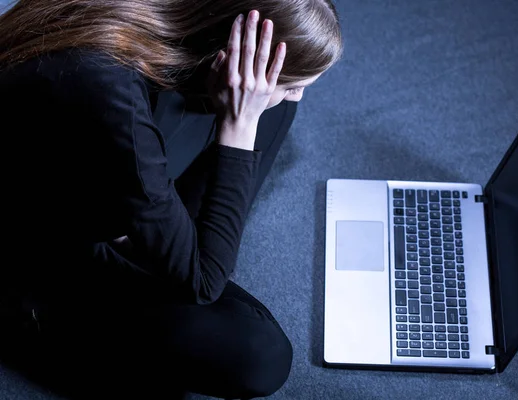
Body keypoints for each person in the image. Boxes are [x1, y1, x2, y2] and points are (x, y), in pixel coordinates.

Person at [0, 0, 343, 398]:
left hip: (91, 187)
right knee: (258, 355)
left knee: (271, 105)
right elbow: (203, 284)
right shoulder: (111, 94)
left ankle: (173, 239)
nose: (298, 95)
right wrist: (238, 126)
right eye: (295, 83)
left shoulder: (175, 25)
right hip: (35, 255)